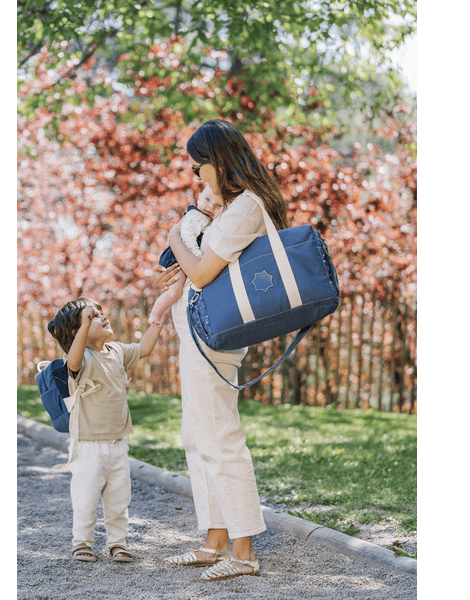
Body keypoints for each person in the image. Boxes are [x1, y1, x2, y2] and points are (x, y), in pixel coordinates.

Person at [156, 119, 290, 582]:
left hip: (214, 338)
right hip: (196, 333)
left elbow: (203, 272)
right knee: (198, 436)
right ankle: (214, 541)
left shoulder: (247, 207)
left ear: (219, 161)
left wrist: (176, 238)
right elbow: (198, 270)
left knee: (220, 437)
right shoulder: (232, 208)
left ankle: (244, 550)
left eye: (200, 167)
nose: (197, 178)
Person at [47, 297, 164, 563]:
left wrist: (157, 318)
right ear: (80, 332)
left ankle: (117, 542)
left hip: (117, 445)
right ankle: (82, 543)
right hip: (88, 447)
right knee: (86, 500)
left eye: (100, 313)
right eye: (92, 317)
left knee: (119, 500)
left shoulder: (117, 351)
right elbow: (73, 362)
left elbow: (144, 348)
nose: (102, 317)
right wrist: (85, 326)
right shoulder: (80, 358)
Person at [148, 186, 224, 327]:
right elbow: (187, 236)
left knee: (175, 291)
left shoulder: (207, 219)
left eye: (218, 205)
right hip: (176, 259)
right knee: (174, 292)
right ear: (199, 197)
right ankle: (155, 314)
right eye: (207, 199)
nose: (210, 206)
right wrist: (198, 256)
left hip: (183, 258)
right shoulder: (196, 216)